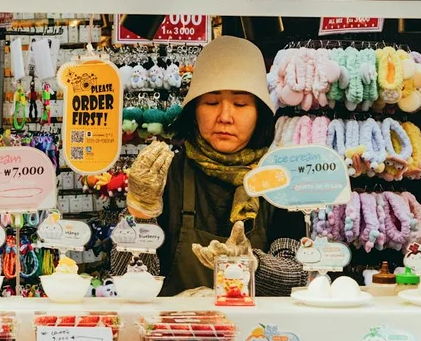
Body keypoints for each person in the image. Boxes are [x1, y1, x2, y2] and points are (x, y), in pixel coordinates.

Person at [125, 36, 304, 295]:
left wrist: (253, 264)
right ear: (194, 109)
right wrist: (140, 212)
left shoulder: (278, 178)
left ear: (260, 113)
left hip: (258, 321)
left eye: (240, 104)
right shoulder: (166, 172)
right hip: (177, 319)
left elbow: (298, 275)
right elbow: (127, 276)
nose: (225, 117)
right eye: (211, 102)